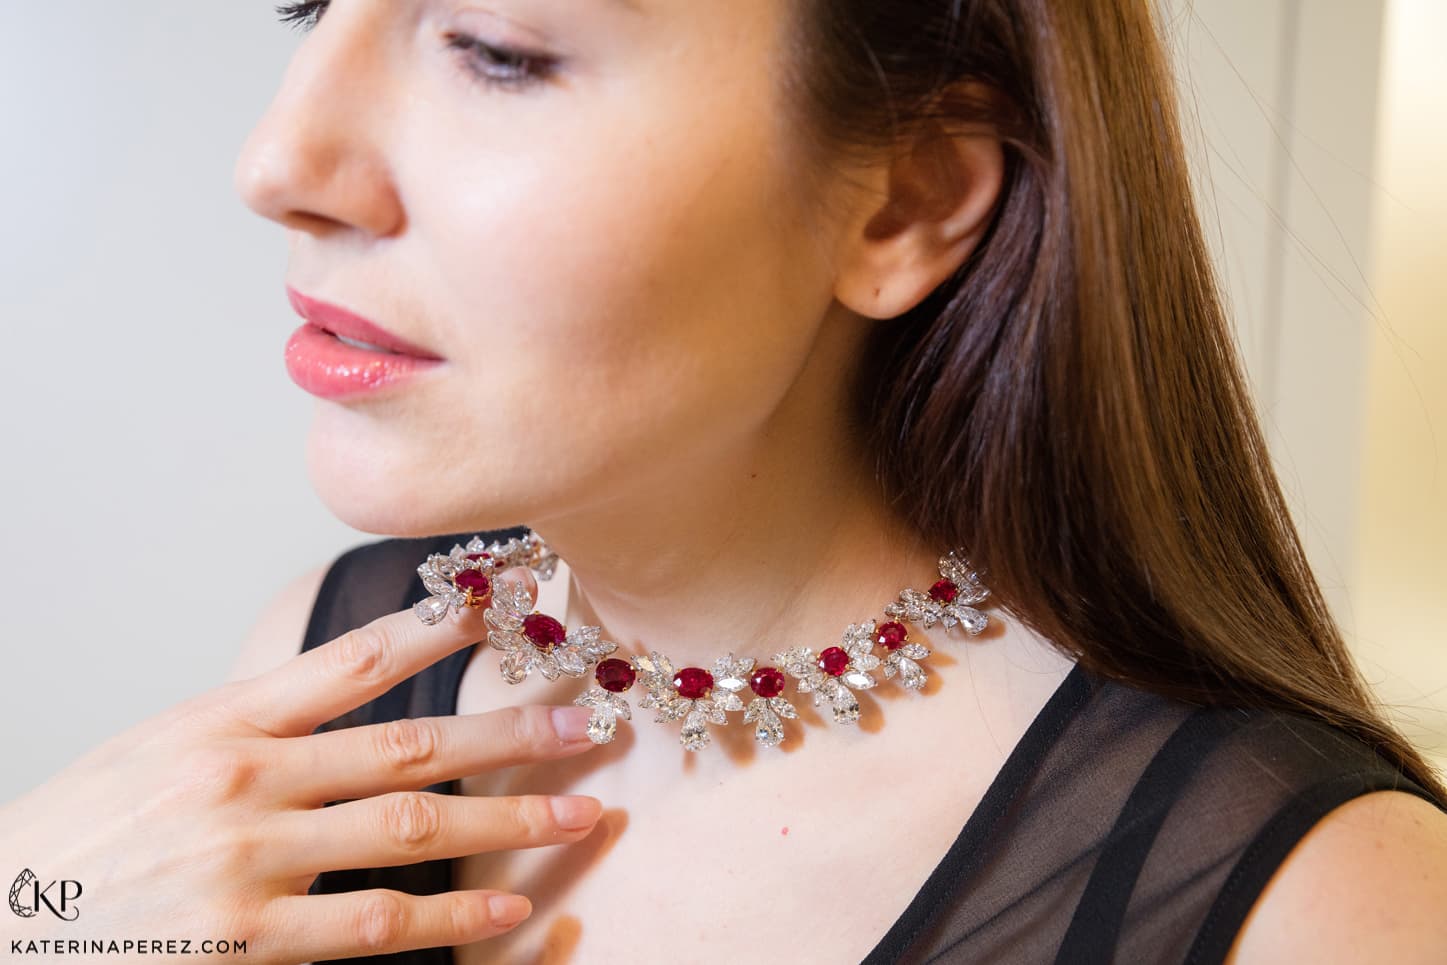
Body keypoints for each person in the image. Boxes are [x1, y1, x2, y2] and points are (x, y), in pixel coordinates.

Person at [4, 0, 1445, 962]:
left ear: (906, 200)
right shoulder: (332, 670)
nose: (280, 160)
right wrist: (38, 911)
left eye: (499, 49)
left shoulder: (1318, 904)